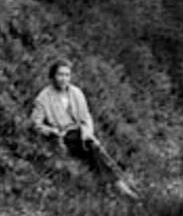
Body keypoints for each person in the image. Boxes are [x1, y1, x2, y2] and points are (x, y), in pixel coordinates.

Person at [31, 60, 137, 198]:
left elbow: (86, 117)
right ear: (53, 76)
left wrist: (87, 133)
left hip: (79, 133)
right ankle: (120, 186)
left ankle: (111, 186)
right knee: (94, 148)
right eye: (60, 75)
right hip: (62, 135)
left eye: (67, 75)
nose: (64, 79)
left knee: (93, 148)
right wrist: (51, 131)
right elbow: (35, 122)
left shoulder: (76, 92)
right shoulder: (44, 97)